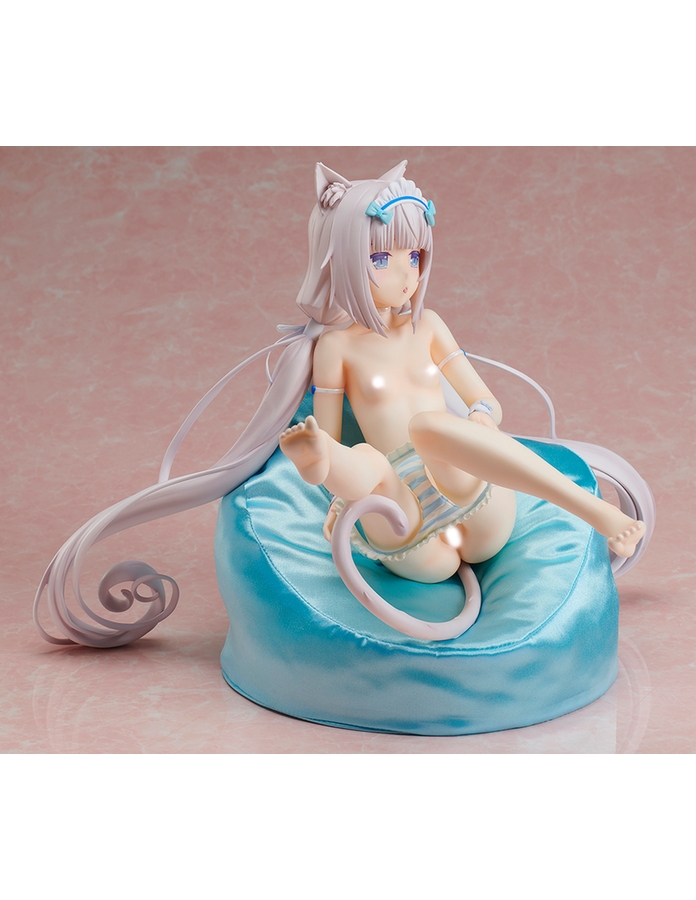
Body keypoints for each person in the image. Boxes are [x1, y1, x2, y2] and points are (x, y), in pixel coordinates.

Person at [34, 161, 643, 649]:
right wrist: (325, 463)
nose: (405, 275)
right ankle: (324, 468)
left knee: (434, 426)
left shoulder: (430, 325)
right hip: (405, 527)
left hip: (473, 501)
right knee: (361, 460)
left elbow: (484, 397)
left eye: (414, 256)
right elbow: (333, 430)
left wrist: (481, 419)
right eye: (382, 259)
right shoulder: (335, 349)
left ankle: (598, 513)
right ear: (346, 261)